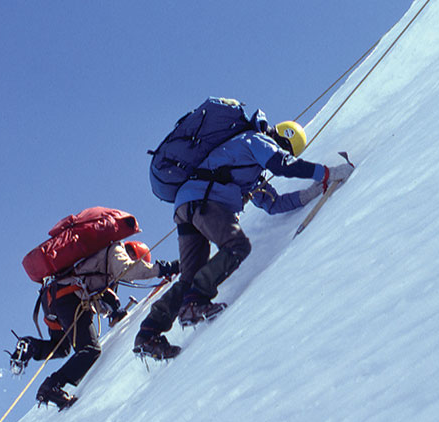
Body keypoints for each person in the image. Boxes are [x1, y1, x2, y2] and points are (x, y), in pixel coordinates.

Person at [133, 118, 353, 359]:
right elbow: (283, 166)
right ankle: (195, 303)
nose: (283, 153)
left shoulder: (250, 171)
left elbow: (273, 204)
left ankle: (148, 333)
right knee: (237, 246)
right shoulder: (255, 140)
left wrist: (311, 192)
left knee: (190, 275)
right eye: (286, 149)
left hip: (187, 205)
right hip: (205, 201)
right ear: (282, 140)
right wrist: (327, 173)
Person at [13, 239, 179, 409]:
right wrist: (166, 268)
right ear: (134, 253)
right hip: (69, 297)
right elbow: (130, 270)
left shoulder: (97, 259)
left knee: (61, 348)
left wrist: (113, 311)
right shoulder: (116, 249)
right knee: (90, 349)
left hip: (53, 300)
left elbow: (97, 296)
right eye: (138, 259)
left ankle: (30, 345)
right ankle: (52, 386)